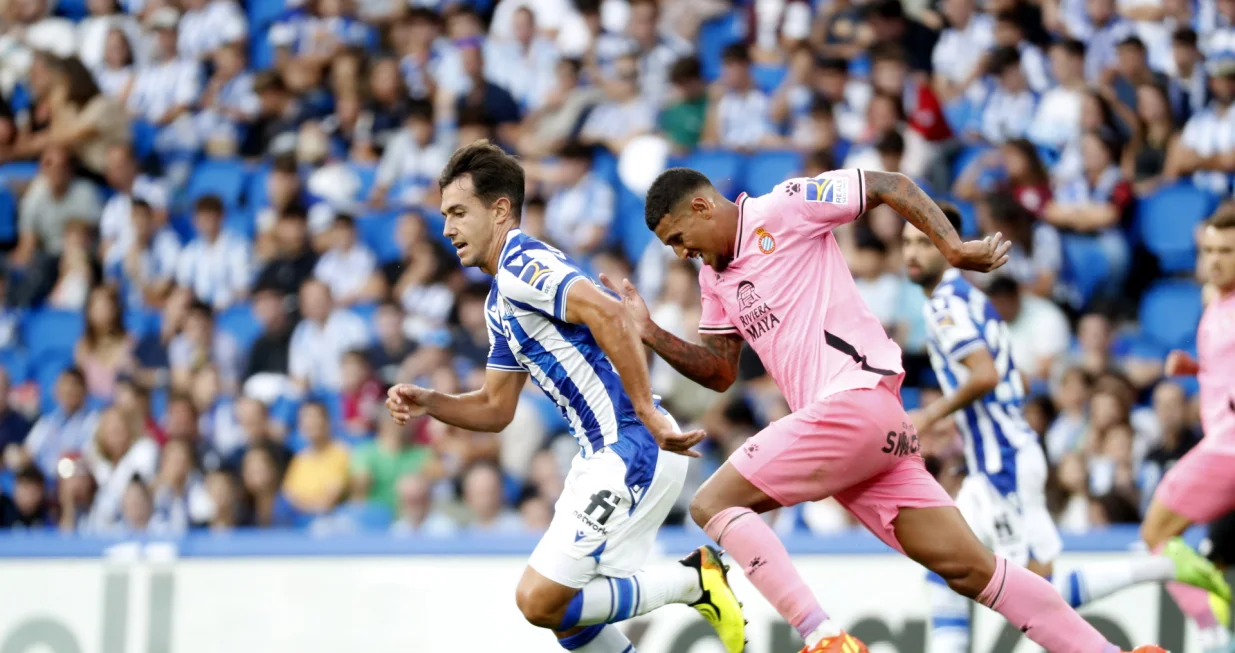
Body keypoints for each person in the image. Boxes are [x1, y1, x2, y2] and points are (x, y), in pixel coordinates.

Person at [609, 164, 1169, 653]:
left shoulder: (785, 206)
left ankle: (822, 636)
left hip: (854, 402)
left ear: (704, 206)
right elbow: (720, 371)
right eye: (672, 248)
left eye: (680, 237)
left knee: (712, 503)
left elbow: (886, 185)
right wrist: (650, 332)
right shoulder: (714, 277)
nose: (681, 254)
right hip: (870, 435)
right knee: (974, 571)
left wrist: (952, 247)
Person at [384, 141, 745, 653]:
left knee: (538, 600)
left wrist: (645, 409)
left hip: (630, 445)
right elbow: (495, 407)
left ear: (501, 209)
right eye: (444, 215)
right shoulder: (499, 300)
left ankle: (696, 581)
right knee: (568, 617)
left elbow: (611, 313)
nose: (447, 228)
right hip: (606, 452)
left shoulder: (519, 260)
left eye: (459, 212)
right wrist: (432, 401)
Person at [902, 202, 1229, 653]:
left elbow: (986, 375)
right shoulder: (970, 298)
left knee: (1032, 593)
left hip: (1003, 459)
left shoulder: (945, 307)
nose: (911, 253)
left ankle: (1166, 568)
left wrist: (929, 415)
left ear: (948, 245)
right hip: (994, 457)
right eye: (907, 242)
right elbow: (1009, 377)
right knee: (942, 572)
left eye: (924, 241)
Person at [1143, 208, 1235, 652]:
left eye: (1226, 252)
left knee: (1157, 532)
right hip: (1220, 443)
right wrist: (1196, 368)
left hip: (1228, 448)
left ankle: (1211, 632)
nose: (1215, 260)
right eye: (1209, 250)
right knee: (1212, 553)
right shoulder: (1211, 297)